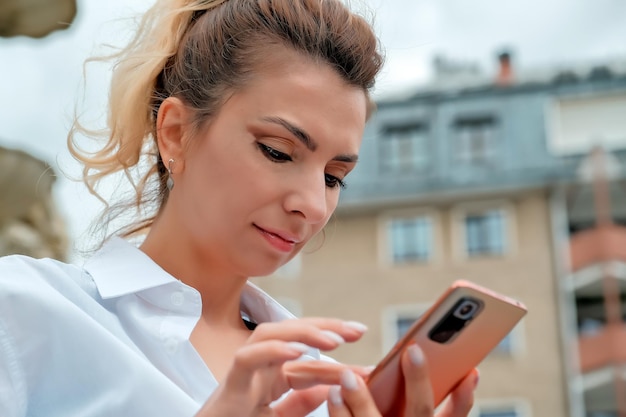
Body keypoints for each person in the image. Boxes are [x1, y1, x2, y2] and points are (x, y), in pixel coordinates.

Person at [0, 0, 479, 416]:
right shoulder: (25, 312)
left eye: (335, 178)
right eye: (277, 151)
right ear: (176, 133)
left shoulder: (325, 388)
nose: (312, 206)